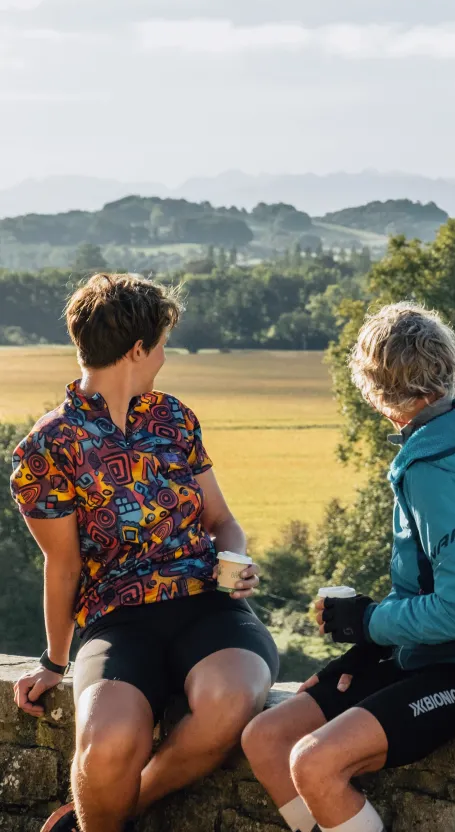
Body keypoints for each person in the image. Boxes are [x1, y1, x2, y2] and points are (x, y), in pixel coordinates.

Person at [242, 302, 455, 832]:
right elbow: (427, 587)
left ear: (378, 393)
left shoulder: (435, 468)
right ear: (448, 367)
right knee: (265, 737)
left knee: (314, 761)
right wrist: (368, 649)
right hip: (435, 653)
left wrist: (366, 621)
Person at [11, 273, 279, 832]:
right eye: (160, 344)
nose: (164, 355)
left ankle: (122, 807)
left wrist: (235, 565)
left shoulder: (173, 418)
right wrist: (54, 661)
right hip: (118, 620)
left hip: (210, 605)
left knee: (231, 701)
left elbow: (222, 522)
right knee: (106, 744)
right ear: (138, 350)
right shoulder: (47, 447)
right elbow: (63, 567)